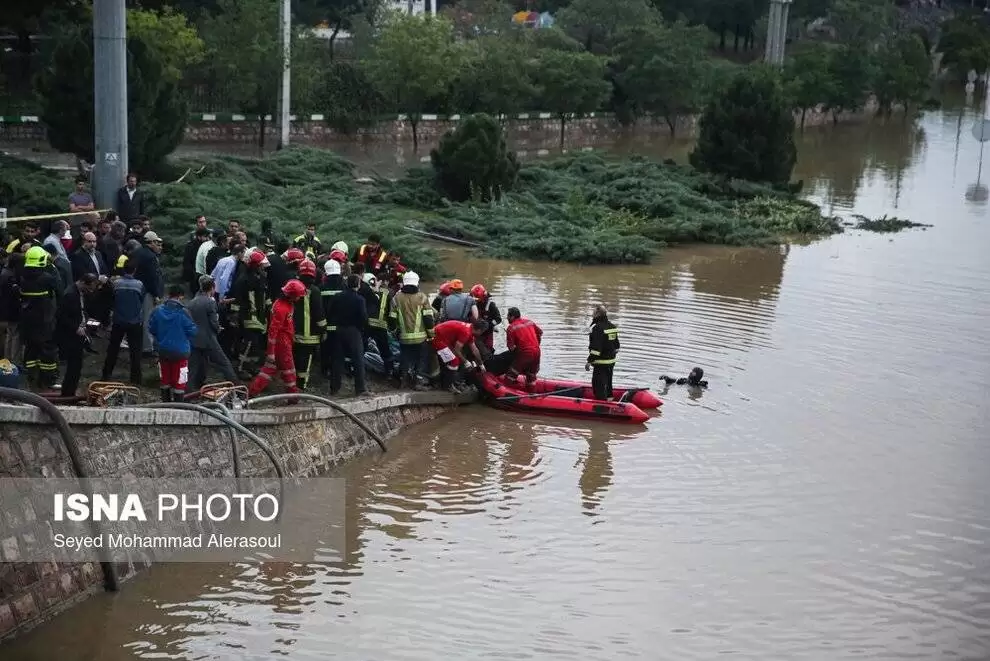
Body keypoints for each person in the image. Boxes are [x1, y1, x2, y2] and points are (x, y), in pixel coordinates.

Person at [248, 279, 307, 398]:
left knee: (268, 370)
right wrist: (271, 352)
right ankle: (293, 397)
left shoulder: (285, 304)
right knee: (289, 371)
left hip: (284, 342)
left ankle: (251, 392)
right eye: (298, 296)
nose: (299, 298)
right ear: (292, 295)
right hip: (282, 344)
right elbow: (273, 331)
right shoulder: (281, 308)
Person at [186, 276, 239, 392]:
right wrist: (218, 328)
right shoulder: (210, 302)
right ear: (212, 288)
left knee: (194, 367)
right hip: (208, 338)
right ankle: (237, 388)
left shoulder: (191, 302)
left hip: (194, 338)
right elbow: (214, 323)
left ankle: (189, 391)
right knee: (224, 363)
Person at [148, 284, 198, 402]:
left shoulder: (157, 311)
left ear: (169, 295)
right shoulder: (183, 312)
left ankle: (165, 404)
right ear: (180, 296)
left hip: (163, 351)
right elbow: (193, 331)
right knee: (179, 382)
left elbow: (152, 329)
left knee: (165, 380)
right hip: (180, 353)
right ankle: (178, 406)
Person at [18, 246, 60, 388]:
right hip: (44, 321)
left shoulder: (22, 277)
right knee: (48, 351)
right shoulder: (47, 278)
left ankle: (31, 376)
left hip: (27, 321)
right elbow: (59, 288)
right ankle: (47, 380)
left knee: (31, 349)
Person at [56, 273, 100, 398]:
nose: (90, 291)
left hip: (79, 332)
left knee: (76, 366)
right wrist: (76, 327)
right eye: (89, 288)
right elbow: (61, 316)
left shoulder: (80, 294)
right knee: (73, 365)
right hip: (70, 335)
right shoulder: (70, 295)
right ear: (83, 283)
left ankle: (71, 390)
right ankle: (67, 392)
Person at [101, 261, 145, 385]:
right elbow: (141, 299)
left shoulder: (116, 284)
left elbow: (112, 299)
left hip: (118, 320)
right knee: (135, 352)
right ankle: (136, 379)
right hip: (135, 322)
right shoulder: (139, 285)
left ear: (123, 270)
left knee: (113, 349)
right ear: (135, 270)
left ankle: (106, 375)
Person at [389, 270, 434, 389]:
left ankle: (404, 381)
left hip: (404, 337)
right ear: (417, 283)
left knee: (405, 358)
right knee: (422, 358)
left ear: (404, 283)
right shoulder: (422, 297)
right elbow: (428, 318)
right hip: (421, 337)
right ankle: (418, 381)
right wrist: (431, 334)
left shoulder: (396, 298)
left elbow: (392, 319)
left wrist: (395, 332)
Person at [230, 250, 270, 374]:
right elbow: (237, 299)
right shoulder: (243, 279)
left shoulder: (262, 277)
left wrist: (270, 308)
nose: (264, 267)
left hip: (260, 316)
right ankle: (241, 368)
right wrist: (235, 317)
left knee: (255, 344)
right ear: (255, 265)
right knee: (248, 343)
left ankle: (250, 366)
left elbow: (265, 296)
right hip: (248, 315)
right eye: (261, 265)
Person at [330, 274, 370, 397]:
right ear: (358, 285)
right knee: (358, 359)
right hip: (354, 331)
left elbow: (330, 311)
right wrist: (362, 329)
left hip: (339, 330)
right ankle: (360, 389)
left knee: (337, 360)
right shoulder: (360, 299)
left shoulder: (337, 297)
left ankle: (334, 388)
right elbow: (363, 318)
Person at [292, 259, 326, 390]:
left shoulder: (293, 287)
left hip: (294, 333)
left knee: (295, 358)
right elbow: (319, 314)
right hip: (310, 336)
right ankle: (302, 385)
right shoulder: (315, 291)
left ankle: (293, 383)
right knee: (306, 361)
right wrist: (323, 330)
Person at [431, 319, 487, 391]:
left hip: (443, 338)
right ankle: (447, 385)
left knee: (454, 360)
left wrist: (481, 364)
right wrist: (466, 362)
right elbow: (456, 350)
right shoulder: (466, 332)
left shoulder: (470, 329)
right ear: (479, 330)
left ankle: (446, 382)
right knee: (454, 361)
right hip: (437, 338)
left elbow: (475, 350)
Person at [132, 231, 165, 355]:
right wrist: (156, 294)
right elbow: (152, 278)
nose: (158, 244)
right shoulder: (150, 256)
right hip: (147, 292)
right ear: (151, 242)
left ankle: (139, 344)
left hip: (137, 290)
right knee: (148, 319)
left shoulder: (137, 252)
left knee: (140, 318)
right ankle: (147, 348)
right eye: (156, 242)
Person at [363, 273, 394, 377]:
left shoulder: (367, 290)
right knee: (385, 350)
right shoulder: (389, 293)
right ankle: (389, 372)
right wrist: (392, 327)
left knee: (362, 346)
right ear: (384, 281)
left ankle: (358, 369)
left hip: (367, 323)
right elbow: (391, 313)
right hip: (381, 325)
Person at [586, 304, 619, 400]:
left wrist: (589, 361)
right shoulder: (612, 326)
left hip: (600, 363)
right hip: (611, 362)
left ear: (597, 314)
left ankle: (602, 406)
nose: (592, 315)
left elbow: (596, 349)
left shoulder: (597, 328)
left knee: (598, 386)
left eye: (593, 312)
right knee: (608, 384)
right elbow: (617, 347)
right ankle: (610, 398)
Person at [320, 258, 344, 381]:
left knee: (326, 350)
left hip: (326, 326)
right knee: (338, 352)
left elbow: (320, 309)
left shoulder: (322, 287)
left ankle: (325, 370)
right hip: (342, 327)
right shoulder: (344, 286)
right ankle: (337, 373)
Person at [505, 307, 543, 384]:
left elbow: (511, 348)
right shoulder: (530, 322)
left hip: (525, 353)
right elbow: (540, 333)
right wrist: (537, 344)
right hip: (537, 351)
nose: (507, 318)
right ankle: (532, 394)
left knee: (510, 375)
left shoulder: (511, 328)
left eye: (508, 316)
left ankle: (509, 393)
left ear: (512, 317)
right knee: (531, 376)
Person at [0, 252, 24, 362]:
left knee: (10, 335)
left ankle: (7, 359)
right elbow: (16, 292)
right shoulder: (10, 276)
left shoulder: (4, 272)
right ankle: (15, 361)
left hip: (6, 310)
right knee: (15, 336)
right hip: (12, 310)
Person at [470, 284, 501, 356]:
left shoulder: (491, 305)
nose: (476, 300)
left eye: (477, 298)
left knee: (488, 349)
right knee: (476, 349)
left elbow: (498, 319)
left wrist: (489, 325)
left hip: (487, 332)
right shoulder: (474, 303)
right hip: (477, 331)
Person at [184, 227, 211, 295]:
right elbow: (187, 262)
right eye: (205, 236)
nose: (207, 238)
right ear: (199, 236)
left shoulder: (207, 245)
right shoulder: (191, 246)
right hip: (195, 275)